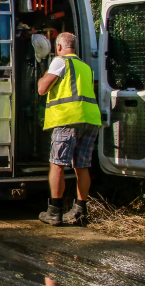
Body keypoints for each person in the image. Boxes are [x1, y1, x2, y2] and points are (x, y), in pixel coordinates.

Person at [36, 32, 101, 226]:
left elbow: (42, 88)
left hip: (67, 120)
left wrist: (43, 75)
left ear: (58, 47)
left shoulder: (60, 62)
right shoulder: (86, 67)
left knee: (57, 164)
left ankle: (55, 212)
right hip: (89, 120)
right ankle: (80, 211)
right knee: (82, 166)